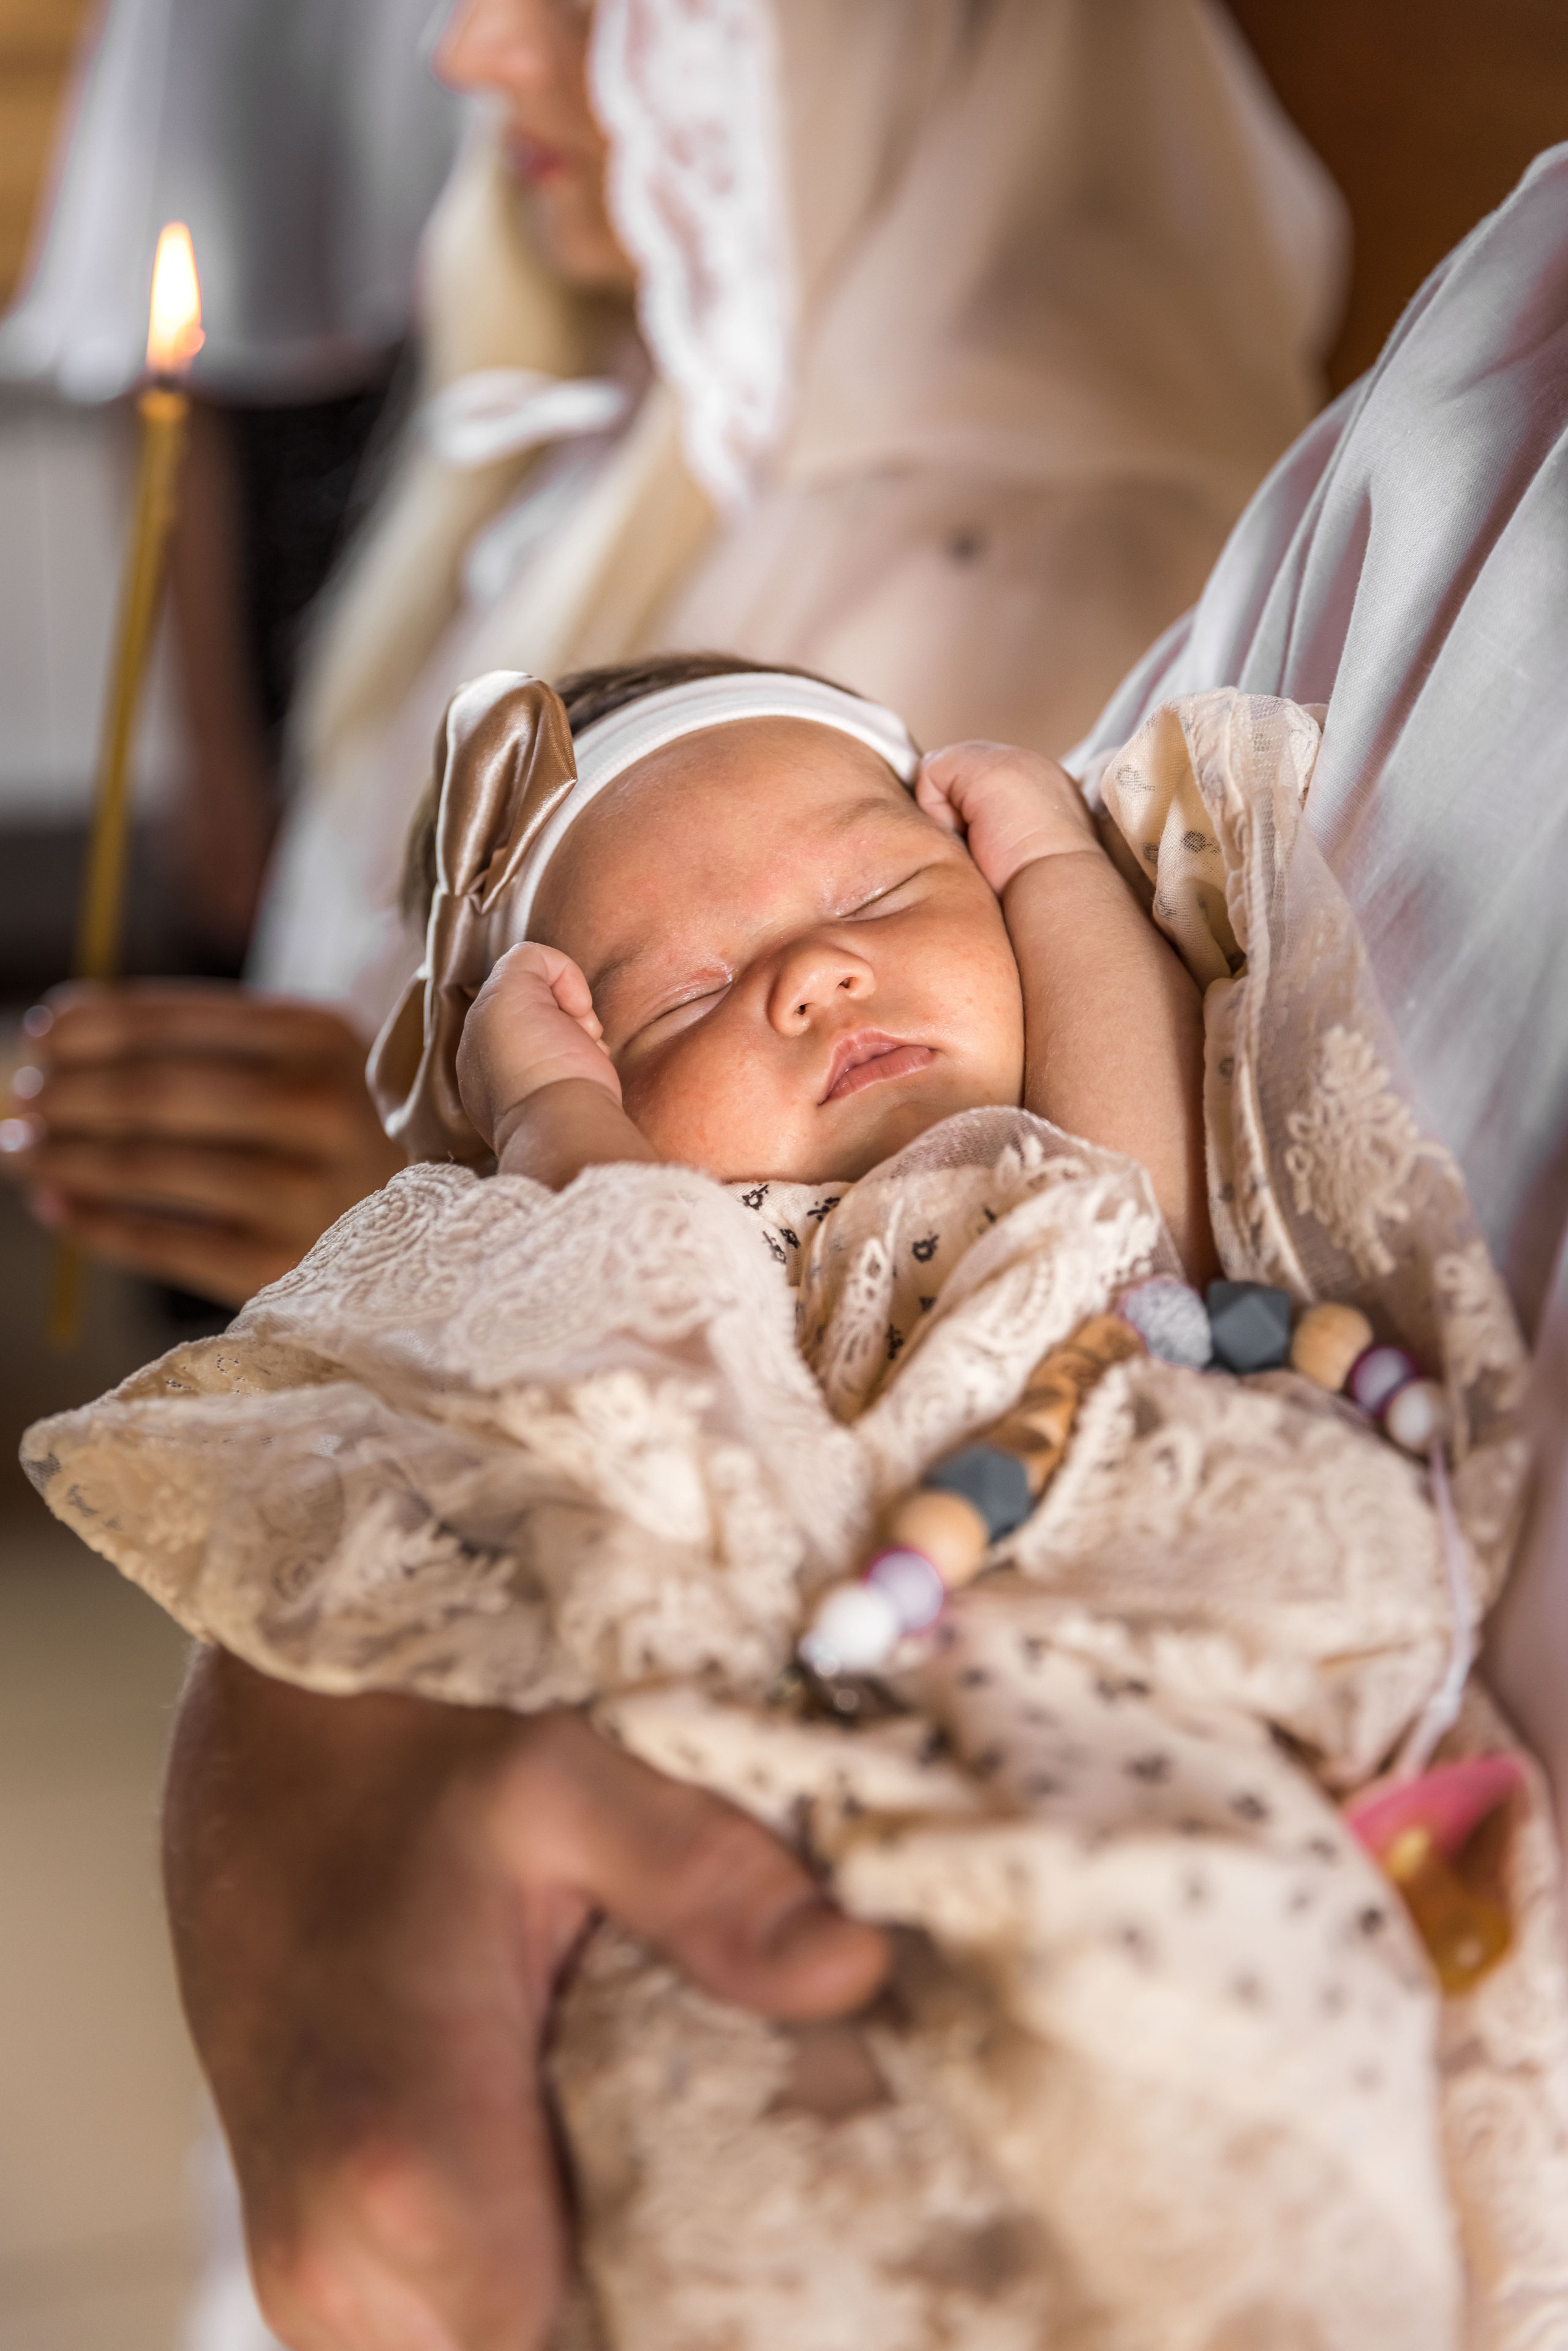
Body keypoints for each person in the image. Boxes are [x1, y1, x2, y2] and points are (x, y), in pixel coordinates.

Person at [28, 653, 1564, 2344]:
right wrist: (557, 1131)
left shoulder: (1055, 1208)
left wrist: (1052, 858)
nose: (816, 975)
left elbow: (1147, 1175)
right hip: (813, 1782)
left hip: (1156, 1736)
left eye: (881, 891)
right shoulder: (720, 1258)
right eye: (680, 1002)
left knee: (1244, 2108)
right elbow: (638, 1366)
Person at [0, 0, 1344, 1305]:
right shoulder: (569, 454)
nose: (467, 50)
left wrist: (435, 1248)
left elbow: (941, 1238)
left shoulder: (1057, 580)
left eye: (589, 11)